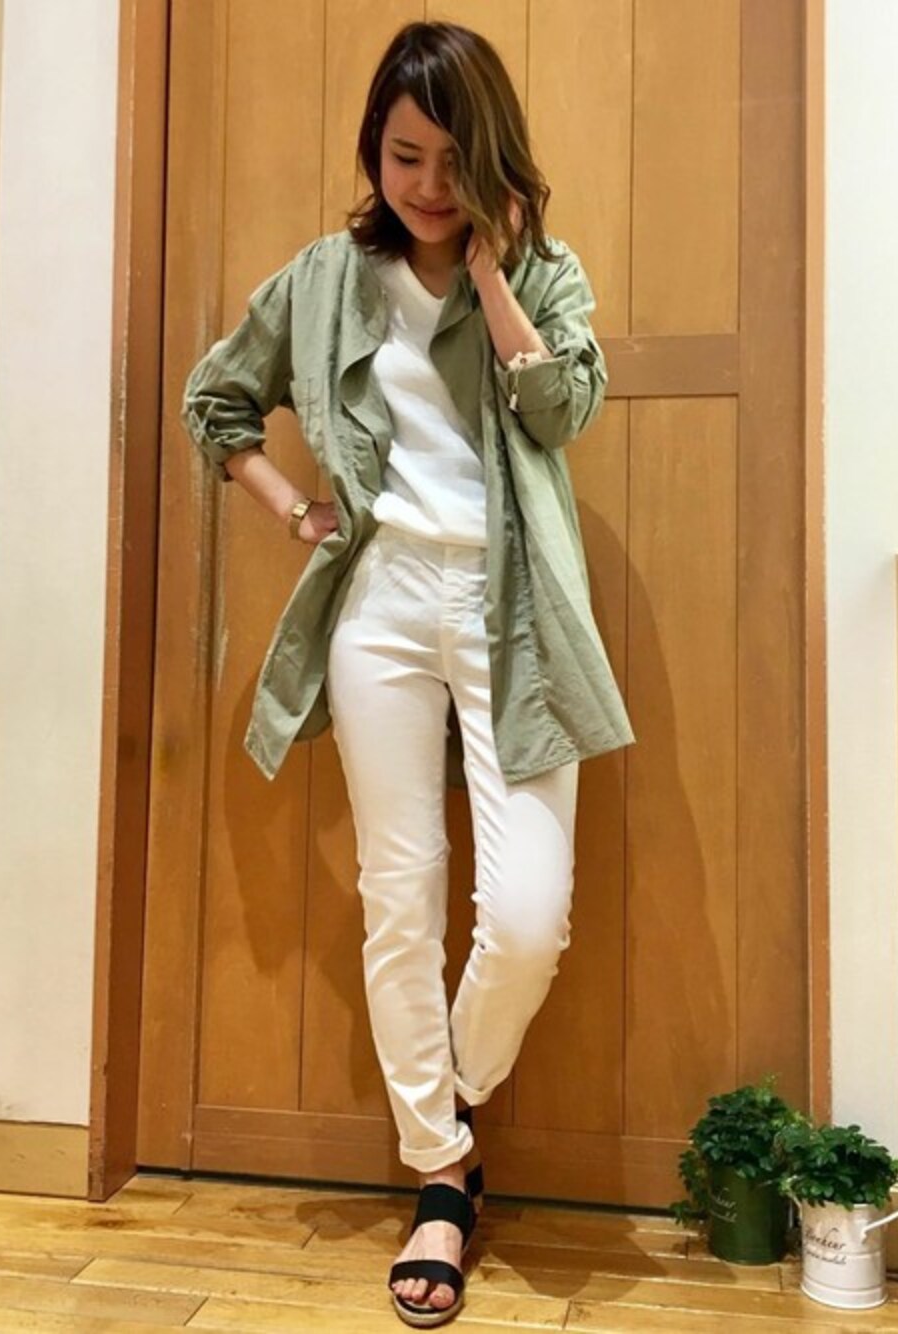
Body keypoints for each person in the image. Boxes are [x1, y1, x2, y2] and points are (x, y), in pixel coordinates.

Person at [182, 20, 635, 1328]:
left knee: (528, 917)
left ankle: (454, 1101)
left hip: (513, 607)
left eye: (452, 158)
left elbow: (563, 412)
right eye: (403, 155)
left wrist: (490, 271)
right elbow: (217, 403)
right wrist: (295, 510)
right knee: (400, 899)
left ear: (493, 158)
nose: (427, 184)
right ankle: (440, 1174)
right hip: (379, 605)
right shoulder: (326, 279)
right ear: (372, 153)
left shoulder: (543, 272)